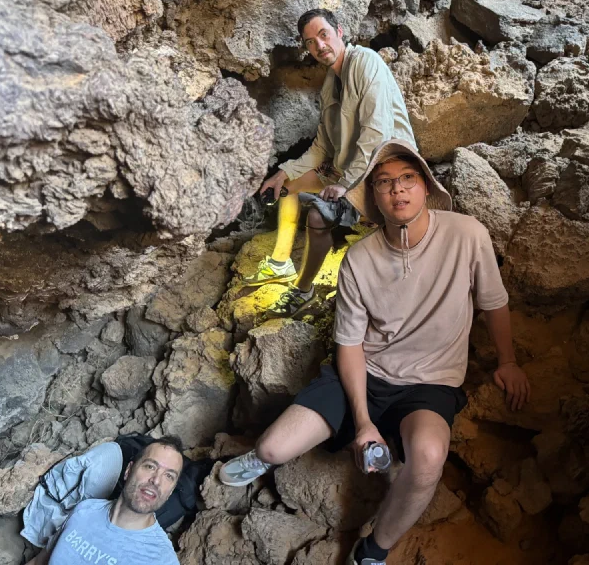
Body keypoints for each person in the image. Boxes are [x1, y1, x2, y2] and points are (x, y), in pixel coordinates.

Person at [220, 139, 531, 565]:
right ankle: (260, 459)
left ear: (425, 187)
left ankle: (374, 550)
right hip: (365, 372)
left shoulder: (467, 234)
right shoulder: (359, 259)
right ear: (374, 198)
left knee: (427, 458)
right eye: (384, 183)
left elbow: (494, 301)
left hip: (429, 383)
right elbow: (349, 345)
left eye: (407, 179)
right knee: (273, 449)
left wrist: (508, 361)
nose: (397, 191)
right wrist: (364, 423)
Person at [245, 8, 416, 319]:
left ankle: (304, 290)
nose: (319, 46)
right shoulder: (329, 83)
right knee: (289, 189)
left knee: (318, 219)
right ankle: (281, 263)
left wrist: (344, 183)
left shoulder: (365, 62)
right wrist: (284, 173)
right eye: (310, 42)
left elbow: (375, 133)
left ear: (339, 32)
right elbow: (322, 145)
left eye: (323, 35)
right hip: (346, 168)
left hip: (383, 167)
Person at [26, 437, 184, 565]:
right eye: (150, 466)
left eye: (169, 476)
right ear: (128, 471)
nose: (156, 480)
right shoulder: (84, 510)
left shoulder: (161, 559)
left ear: (170, 491)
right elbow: (39, 562)